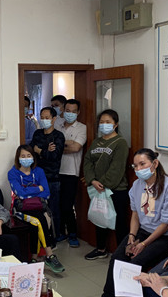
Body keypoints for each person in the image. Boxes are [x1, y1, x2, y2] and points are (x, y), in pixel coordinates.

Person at [88, 149, 168, 297]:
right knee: (117, 258)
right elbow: (136, 214)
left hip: (165, 235)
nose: (138, 169)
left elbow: (167, 223)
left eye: (142, 164)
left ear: (155, 164)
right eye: (135, 166)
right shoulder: (137, 185)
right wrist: (131, 236)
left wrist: (143, 244)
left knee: (136, 264)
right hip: (143, 231)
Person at [8, 145, 65, 273]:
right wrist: (37, 188)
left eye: (29, 155)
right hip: (21, 209)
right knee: (39, 220)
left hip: (38, 206)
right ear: (18, 158)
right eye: (23, 156)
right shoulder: (13, 173)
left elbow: (46, 193)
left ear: (33, 157)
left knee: (37, 223)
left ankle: (34, 258)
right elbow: (20, 193)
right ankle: (50, 255)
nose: (26, 158)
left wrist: (27, 192)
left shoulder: (39, 171)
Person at [82, 110, 130, 259]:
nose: (104, 125)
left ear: (115, 124)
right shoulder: (96, 142)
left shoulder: (120, 143)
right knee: (100, 218)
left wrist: (102, 183)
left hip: (116, 189)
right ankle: (101, 249)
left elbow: (117, 168)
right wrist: (92, 180)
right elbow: (88, 161)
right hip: (97, 188)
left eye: (108, 122)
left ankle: (122, 254)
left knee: (120, 222)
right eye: (102, 122)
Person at [30, 106, 65, 245]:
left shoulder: (58, 136)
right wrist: (46, 151)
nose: (44, 120)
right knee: (39, 209)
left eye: (47, 118)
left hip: (52, 179)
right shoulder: (37, 133)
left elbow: (54, 156)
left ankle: (54, 238)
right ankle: (42, 237)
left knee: (53, 209)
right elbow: (31, 150)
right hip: (36, 178)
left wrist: (40, 151)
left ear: (54, 119)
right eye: (42, 117)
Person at [57, 98, 87, 247]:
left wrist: (58, 146)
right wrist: (68, 143)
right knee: (57, 205)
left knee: (68, 205)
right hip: (55, 171)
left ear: (78, 112)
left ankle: (73, 234)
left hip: (71, 172)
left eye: (73, 111)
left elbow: (76, 148)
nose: (70, 113)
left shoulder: (82, 128)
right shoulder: (57, 125)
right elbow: (49, 144)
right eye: (68, 111)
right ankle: (61, 232)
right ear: (63, 110)